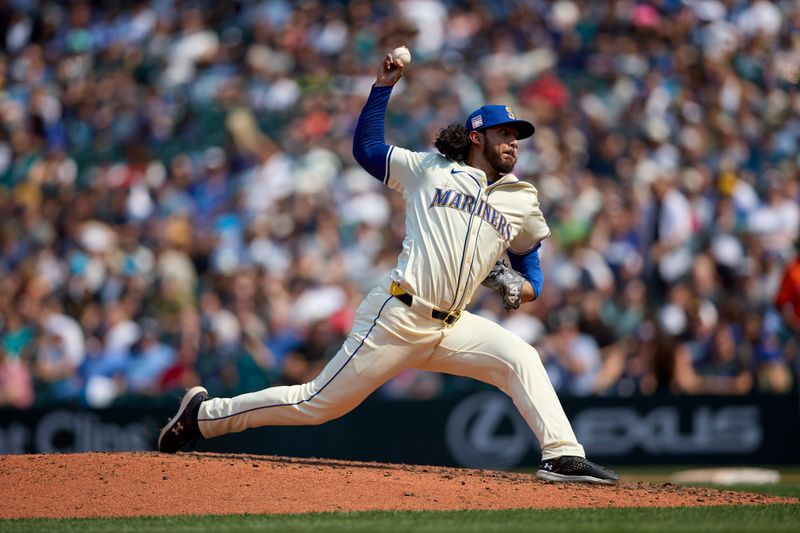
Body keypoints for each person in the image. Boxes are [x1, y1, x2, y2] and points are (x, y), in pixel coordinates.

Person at [158, 51, 618, 485]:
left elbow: (530, 263)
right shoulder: (430, 169)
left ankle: (561, 453)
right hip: (398, 315)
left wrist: (523, 287)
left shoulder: (522, 198)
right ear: (478, 137)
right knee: (317, 404)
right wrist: (382, 87)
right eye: (504, 134)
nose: (513, 143)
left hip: (452, 326)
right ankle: (204, 416)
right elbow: (367, 148)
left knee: (521, 357)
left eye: (517, 136)